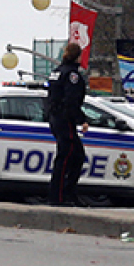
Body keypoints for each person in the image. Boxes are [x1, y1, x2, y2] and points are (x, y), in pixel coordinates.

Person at [45, 42, 88, 206]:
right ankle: (59, 197)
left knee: (76, 156)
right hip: (65, 119)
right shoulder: (72, 75)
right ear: (78, 56)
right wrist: (81, 119)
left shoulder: (56, 72)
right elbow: (71, 100)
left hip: (56, 118)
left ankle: (68, 193)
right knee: (66, 157)